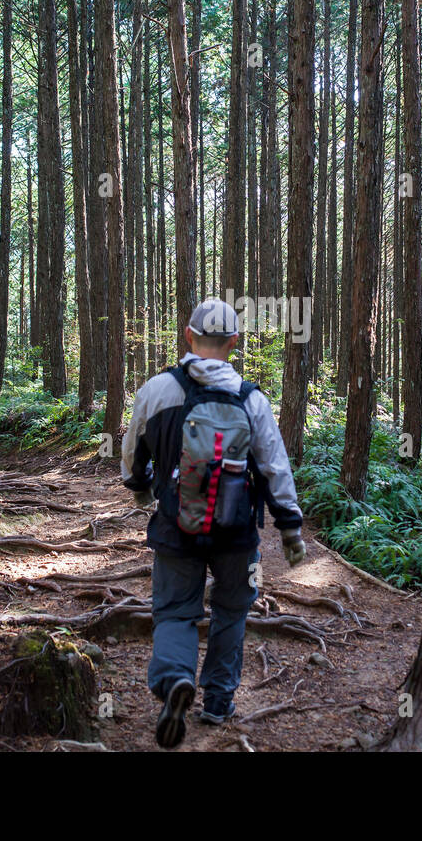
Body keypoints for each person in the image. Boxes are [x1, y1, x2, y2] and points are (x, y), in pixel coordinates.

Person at [122, 298, 306, 749]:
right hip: (237, 533)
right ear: (234, 343)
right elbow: (276, 469)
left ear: (189, 336)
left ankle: (174, 680)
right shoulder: (252, 399)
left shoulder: (158, 390)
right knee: (231, 612)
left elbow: (131, 453)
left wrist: (140, 485)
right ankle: (219, 701)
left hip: (174, 526)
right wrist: (290, 527)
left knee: (175, 611)